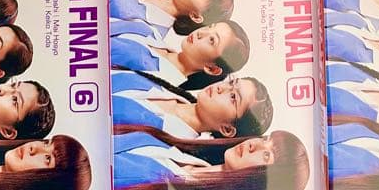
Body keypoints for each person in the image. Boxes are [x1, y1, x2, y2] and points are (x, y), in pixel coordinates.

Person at [112, 126, 310, 190]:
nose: (254, 144)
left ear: (263, 185)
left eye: (266, 155)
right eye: (266, 139)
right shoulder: (183, 148)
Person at [112, 71, 273, 139]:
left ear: (227, 129)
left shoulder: (172, 147)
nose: (221, 88)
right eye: (231, 83)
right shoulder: (167, 85)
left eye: (233, 97)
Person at [112, 21, 251, 88]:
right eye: (210, 26)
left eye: (211, 40)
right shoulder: (153, 33)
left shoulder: (157, 86)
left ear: (211, 68)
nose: (201, 32)